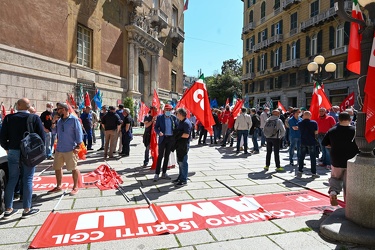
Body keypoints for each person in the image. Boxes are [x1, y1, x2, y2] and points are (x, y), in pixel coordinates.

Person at [0, 98, 45, 219]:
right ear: (28, 106)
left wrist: (7, 148)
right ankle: (26, 209)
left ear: (18, 105)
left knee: (12, 179)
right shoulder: (34, 118)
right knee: (28, 179)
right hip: (29, 152)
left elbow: (2, 136)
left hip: (13, 151)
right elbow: (42, 137)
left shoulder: (9, 118)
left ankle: (8, 209)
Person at [322, 112, 359, 206]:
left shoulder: (332, 130)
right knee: (349, 182)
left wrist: (333, 145)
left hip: (337, 158)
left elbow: (324, 143)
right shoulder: (356, 131)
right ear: (350, 120)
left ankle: (334, 192)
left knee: (335, 177)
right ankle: (349, 203)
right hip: (352, 159)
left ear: (339, 120)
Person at [47, 102, 83, 196]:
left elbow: (79, 133)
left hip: (70, 148)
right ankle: (59, 186)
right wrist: (53, 122)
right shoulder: (59, 121)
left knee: (73, 168)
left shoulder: (74, 120)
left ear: (64, 109)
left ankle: (75, 186)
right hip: (59, 148)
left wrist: (78, 146)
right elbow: (54, 132)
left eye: (58, 109)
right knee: (57, 168)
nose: (57, 111)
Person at [153, 104, 178, 181]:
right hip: (162, 138)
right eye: (167, 110)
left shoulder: (173, 118)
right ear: (164, 110)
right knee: (160, 156)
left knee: (167, 156)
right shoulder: (160, 117)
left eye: (169, 110)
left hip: (170, 139)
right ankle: (157, 173)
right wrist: (159, 132)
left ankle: (164, 172)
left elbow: (176, 127)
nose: (168, 111)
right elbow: (155, 127)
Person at [172, 108, 192, 187]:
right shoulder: (181, 122)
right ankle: (180, 177)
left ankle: (184, 180)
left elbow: (186, 135)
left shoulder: (186, 123)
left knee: (183, 162)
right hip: (179, 145)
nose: (176, 115)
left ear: (180, 114)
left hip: (183, 145)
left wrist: (178, 134)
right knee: (179, 162)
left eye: (177, 114)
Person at [297, 111, 319, 179]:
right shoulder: (314, 123)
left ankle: (300, 171)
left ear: (303, 116)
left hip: (303, 141)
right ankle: (313, 173)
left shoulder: (300, 123)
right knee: (312, 158)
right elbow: (316, 132)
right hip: (311, 141)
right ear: (310, 116)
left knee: (301, 157)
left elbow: (299, 130)